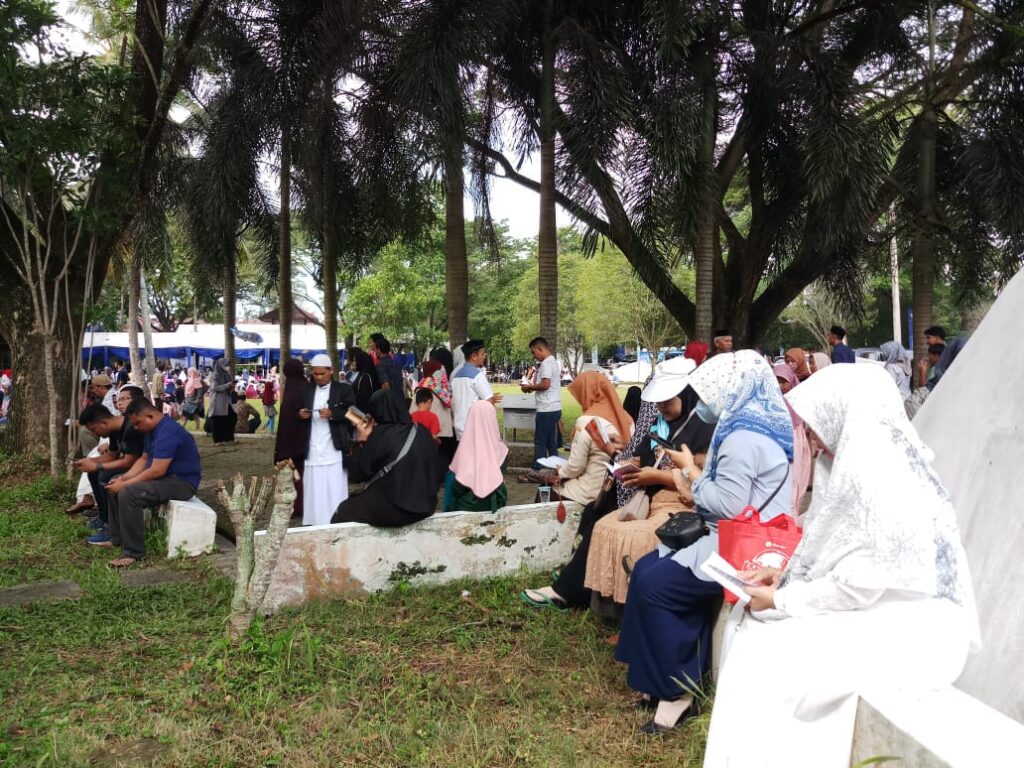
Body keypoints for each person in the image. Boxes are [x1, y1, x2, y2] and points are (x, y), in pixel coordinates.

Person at [703, 363, 978, 768]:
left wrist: (781, 599)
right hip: (878, 601)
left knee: (772, 651)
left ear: (844, 415)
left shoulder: (883, 478)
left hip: (915, 621)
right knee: (754, 630)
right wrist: (783, 576)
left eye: (815, 424)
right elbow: (835, 549)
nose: (811, 437)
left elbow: (861, 584)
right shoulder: (852, 464)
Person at [614, 350, 794, 734]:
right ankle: (655, 677)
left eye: (709, 394)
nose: (703, 403)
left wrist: (690, 477)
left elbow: (727, 505)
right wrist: (694, 474)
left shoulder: (742, 438)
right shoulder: (749, 427)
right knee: (645, 569)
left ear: (730, 391)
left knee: (655, 585)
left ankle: (677, 693)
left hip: (742, 547)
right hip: (727, 533)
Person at [584, 358, 717, 612]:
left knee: (636, 537)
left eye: (668, 400)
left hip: (685, 507)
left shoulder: (705, 430)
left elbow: (702, 480)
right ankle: (613, 606)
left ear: (686, 395)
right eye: (658, 401)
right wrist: (624, 462)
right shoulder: (660, 425)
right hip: (654, 501)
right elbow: (643, 458)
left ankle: (638, 605)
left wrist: (657, 477)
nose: (661, 406)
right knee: (603, 526)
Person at [104, 398, 201, 567]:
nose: (135, 428)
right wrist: (123, 479)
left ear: (150, 416)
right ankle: (117, 538)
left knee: (128, 493)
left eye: (137, 423)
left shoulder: (168, 431)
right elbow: (144, 459)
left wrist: (126, 485)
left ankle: (133, 553)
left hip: (181, 483)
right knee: (115, 483)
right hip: (164, 479)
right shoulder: (151, 431)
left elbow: (157, 470)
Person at [331, 390, 438, 526]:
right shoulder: (422, 431)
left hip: (395, 509)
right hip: (426, 505)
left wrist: (361, 440)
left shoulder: (380, 435)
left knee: (342, 512)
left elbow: (358, 474)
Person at [552, 371, 633, 506]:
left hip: (590, 492)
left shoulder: (587, 421)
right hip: (618, 491)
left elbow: (576, 466)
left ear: (585, 393)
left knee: (546, 489)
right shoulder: (627, 419)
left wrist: (559, 471)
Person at [75, 394, 146, 545]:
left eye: (94, 429)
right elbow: (111, 455)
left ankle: (110, 527)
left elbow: (129, 462)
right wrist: (89, 462)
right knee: (94, 474)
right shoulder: (114, 430)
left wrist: (97, 465)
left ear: (103, 422)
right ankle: (103, 517)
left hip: (139, 468)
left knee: (104, 476)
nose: (95, 434)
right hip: (129, 465)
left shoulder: (130, 429)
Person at [297, 353, 354, 527]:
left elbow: (355, 414)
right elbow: (297, 413)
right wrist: (301, 414)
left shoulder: (343, 390)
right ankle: (315, 521)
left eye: (323, 373)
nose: (319, 377)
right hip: (313, 446)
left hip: (334, 447)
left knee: (334, 484)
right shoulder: (306, 391)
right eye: (316, 374)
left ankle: (337, 519)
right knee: (314, 486)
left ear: (331, 371)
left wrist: (333, 414)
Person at [443, 400, 508, 512]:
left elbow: (457, 487)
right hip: (493, 506)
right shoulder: (501, 450)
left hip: (465, 508)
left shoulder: (465, 449)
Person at [273, 358, 310, 518]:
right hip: (303, 440)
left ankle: (298, 506)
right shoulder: (305, 387)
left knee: (296, 475)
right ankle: (301, 505)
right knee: (301, 474)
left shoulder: (291, 389)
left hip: (292, 442)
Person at [521, 337, 562, 469]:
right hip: (554, 407)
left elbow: (545, 385)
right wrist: (532, 388)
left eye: (534, 352)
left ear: (540, 349)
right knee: (551, 443)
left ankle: (536, 471)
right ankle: (556, 470)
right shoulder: (553, 361)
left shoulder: (546, 364)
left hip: (546, 409)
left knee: (540, 442)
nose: (534, 356)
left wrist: (530, 387)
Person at [451, 339, 502, 440]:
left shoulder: (456, 376)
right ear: (474, 356)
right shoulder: (477, 375)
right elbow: (488, 402)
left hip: (459, 426)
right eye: (482, 354)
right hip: (475, 427)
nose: (484, 357)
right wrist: (492, 399)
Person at [414, 360, 455, 477]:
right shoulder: (442, 388)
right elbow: (451, 405)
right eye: (439, 370)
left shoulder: (421, 386)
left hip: (422, 431)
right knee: (441, 455)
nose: (442, 373)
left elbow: (413, 410)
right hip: (442, 430)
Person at [207, 358, 236, 443]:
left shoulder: (226, 374)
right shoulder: (215, 375)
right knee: (217, 420)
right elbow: (214, 387)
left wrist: (231, 386)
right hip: (217, 400)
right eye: (226, 365)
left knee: (231, 417)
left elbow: (227, 386)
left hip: (225, 400)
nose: (228, 367)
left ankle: (228, 438)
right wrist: (227, 385)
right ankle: (218, 440)